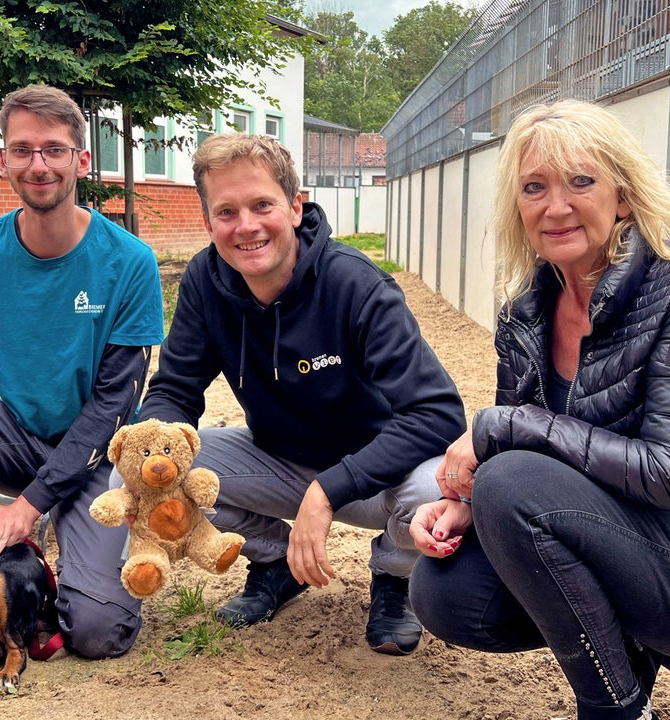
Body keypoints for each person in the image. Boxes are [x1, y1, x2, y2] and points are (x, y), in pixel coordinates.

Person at [408, 99, 670, 719]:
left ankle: (614, 707)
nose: (556, 205)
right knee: (447, 593)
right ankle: (626, 666)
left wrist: (496, 431)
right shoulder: (524, 313)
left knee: (512, 480)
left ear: (622, 197)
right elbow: (532, 459)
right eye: (534, 187)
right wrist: (464, 505)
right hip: (625, 538)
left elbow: (669, 472)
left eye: (581, 182)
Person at [136, 133, 465, 655]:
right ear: (208, 221)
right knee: (148, 466)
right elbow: (175, 388)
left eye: (262, 204)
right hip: (279, 459)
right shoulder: (204, 280)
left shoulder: (355, 285)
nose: (246, 226)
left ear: (295, 207)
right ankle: (271, 562)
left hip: (377, 478)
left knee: (437, 489)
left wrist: (330, 490)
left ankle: (394, 575)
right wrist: (151, 442)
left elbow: (438, 413)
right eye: (226, 211)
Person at [0, 84, 164, 659]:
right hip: (18, 441)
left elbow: (112, 408)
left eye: (53, 150)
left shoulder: (129, 262)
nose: (37, 165)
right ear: (3, 163)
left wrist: (27, 508)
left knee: (97, 634)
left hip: (105, 456)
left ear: (81, 161)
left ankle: (52, 547)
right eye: (22, 150)